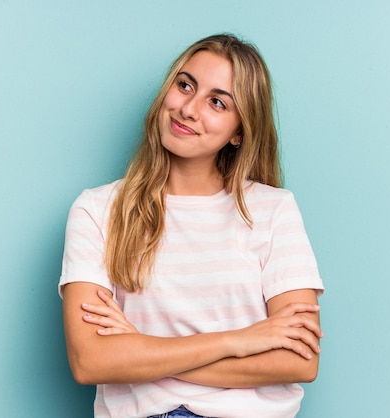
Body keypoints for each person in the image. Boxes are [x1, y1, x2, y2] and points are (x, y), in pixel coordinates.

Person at [59, 33, 325, 418]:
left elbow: (299, 361)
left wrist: (139, 348)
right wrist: (241, 340)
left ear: (239, 131)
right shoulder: (97, 210)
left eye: (217, 102)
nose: (188, 109)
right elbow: (91, 361)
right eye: (185, 85)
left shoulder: (273, 210)